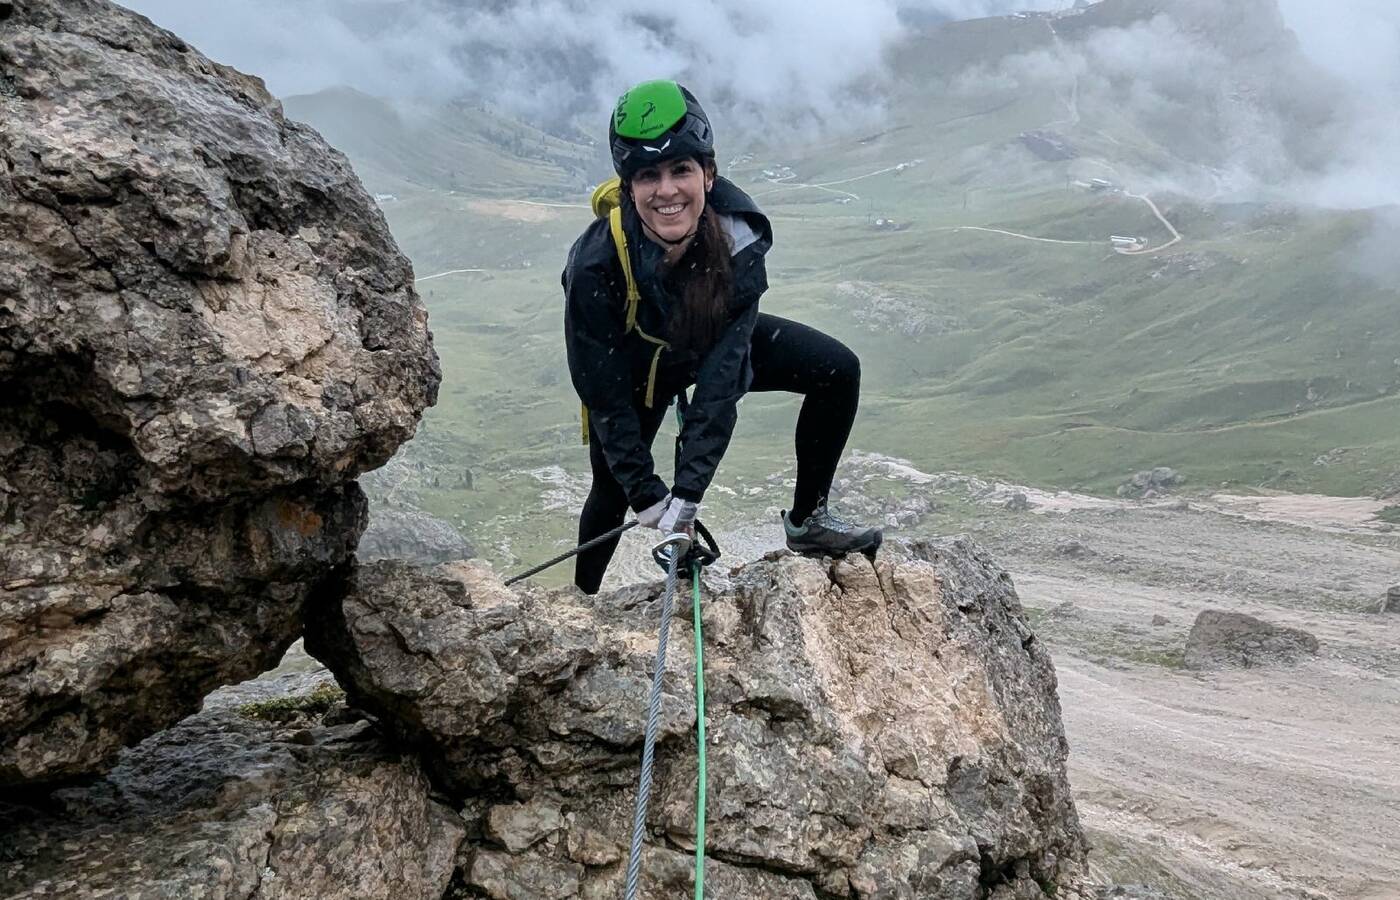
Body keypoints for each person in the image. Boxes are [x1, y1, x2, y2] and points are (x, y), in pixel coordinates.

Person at [562, 79, 881, 594]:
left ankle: (808, 520)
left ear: (708, 174)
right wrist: (647, 494)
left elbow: (722, 378)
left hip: (706, 342)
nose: (666, 191)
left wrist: (688, 493)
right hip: (634, 369)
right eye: (647, 176)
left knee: (836, 370)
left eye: (681, 169)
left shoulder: (738, 237)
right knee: (611, 486)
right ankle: (582, 601)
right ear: (628, 189)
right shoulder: (594, 265)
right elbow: (601, 391)